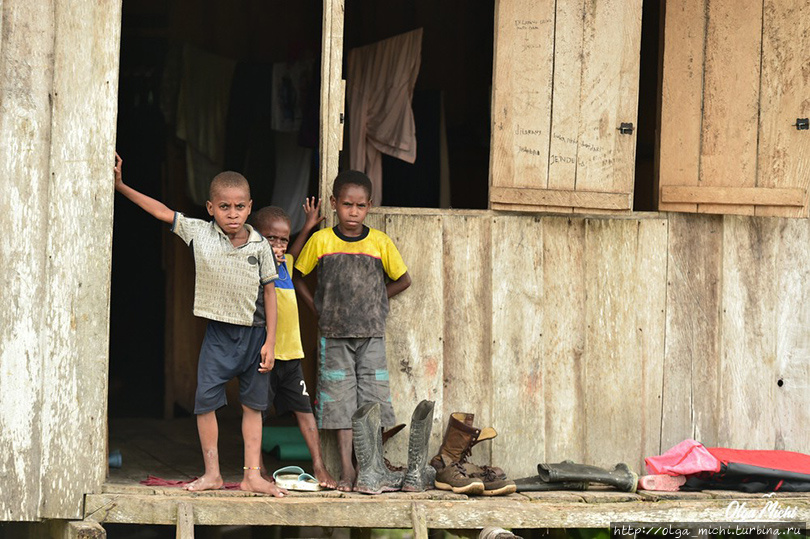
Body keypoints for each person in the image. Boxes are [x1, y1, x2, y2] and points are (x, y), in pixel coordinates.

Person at [113, 153, 286, 497]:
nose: (232, 214)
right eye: (224, 207)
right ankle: (213, 473)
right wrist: (120, 187)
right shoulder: (200, 233)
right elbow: (163, 212)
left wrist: (271, 342)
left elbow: (270, 293)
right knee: (205, 401)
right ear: (210, 208)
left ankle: (252, 475)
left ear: (250, 207)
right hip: (219, 335)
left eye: (239, 207)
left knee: (253, 406)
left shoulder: (261, 246)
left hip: (255, 335)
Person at [293, 170, 412, 491]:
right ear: (334, 204)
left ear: (369, 206)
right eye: (347, 205)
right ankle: (347, 471)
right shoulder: (322, 241)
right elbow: (296, 274)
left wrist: (375, 301)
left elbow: (403, 279)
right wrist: (315, 309)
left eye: (360, 206)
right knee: (340, 404)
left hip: (371, 334)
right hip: (333, 335)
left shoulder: (379, 243)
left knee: (371, 403)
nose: (353, 212)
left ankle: (369, 470)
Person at [250, 200, 337, 489]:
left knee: (304, 410)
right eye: (269, 238)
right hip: (263, 357)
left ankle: (319, 466)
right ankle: (257, 468)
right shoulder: (251, 269)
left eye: (282, 239)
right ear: (255, 236)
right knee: (257, 414)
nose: (277, 244)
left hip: (292, 358)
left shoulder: (285, 265)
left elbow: (294, 251)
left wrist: (309, 226)